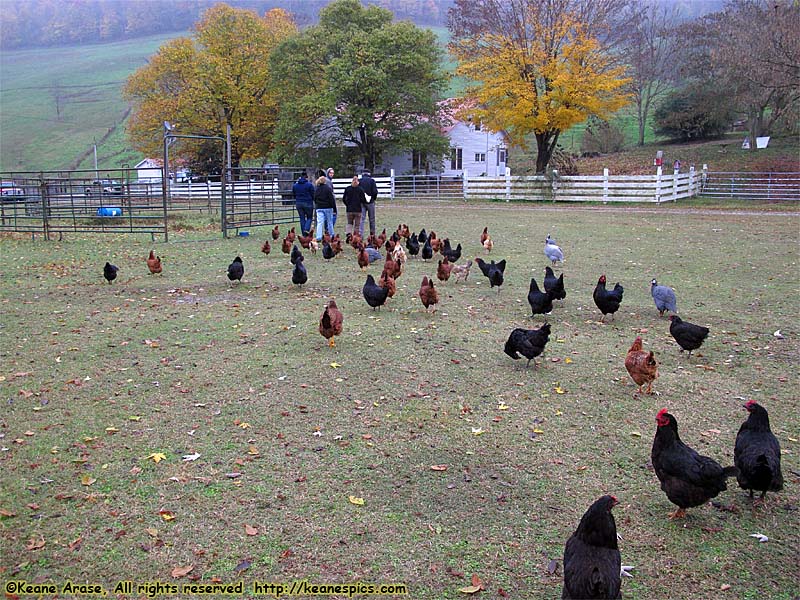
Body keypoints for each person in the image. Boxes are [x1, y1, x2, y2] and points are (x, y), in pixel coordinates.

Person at [291, 171, 315, 236]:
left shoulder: (295, 185)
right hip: (308, 202)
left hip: (299, 203)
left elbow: (293, 194)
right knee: (309, 218)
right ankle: (306, 230)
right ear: (306, 177)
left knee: (302, 218)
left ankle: (303, 234)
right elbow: (313, 194)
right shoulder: (309, 185)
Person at [313, 175, 335, 241]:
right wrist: (333, 207)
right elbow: (331, 199)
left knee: (319, 222)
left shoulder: (317, 189)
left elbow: (314, 198)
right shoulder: (328, 188)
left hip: (319, 207)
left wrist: (317, 204)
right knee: (329, 222)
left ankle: (319, 236)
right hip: (328, 207)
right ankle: (331, 235)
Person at [358, 170, 378, 237]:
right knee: (372, 219)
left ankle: (360, 235)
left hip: (361, 202)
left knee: (361, 219)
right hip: (370, 202)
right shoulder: (372, 181)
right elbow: (375, 191)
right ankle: (372, 235)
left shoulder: (359, 181)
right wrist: (373, 198)